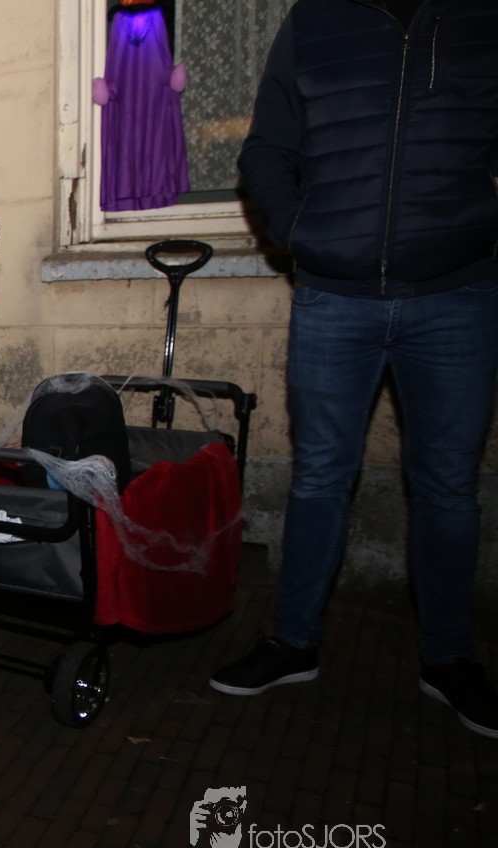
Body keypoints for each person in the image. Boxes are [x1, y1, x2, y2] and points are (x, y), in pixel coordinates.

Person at [212, 0, 498, 739]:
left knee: (447, 487)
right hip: (333, 298)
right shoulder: (315, 20)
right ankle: (294, 643)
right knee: (318, 477)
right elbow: (265, 149)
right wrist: (298, 230)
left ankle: (449, 658)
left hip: (457, 295)